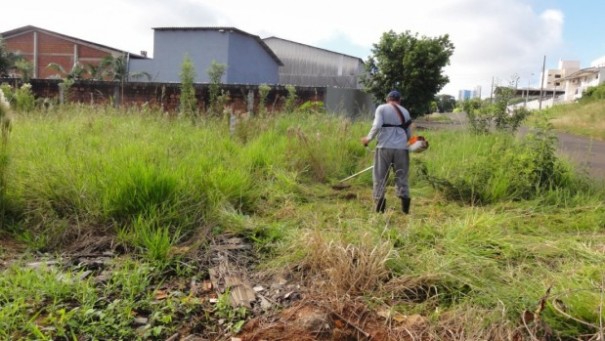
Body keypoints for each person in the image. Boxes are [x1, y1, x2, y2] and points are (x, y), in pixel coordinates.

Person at [360, 90, 413, 214]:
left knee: (380, 177)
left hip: (384, 147)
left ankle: (380, 210)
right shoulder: (405, 112)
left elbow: (377, 125)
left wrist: (368, 138)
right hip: (402, 149)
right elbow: (410, 134)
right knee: (402, 177)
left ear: (387, 99)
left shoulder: (381, 108)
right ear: (399, 100)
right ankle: (405, 210)